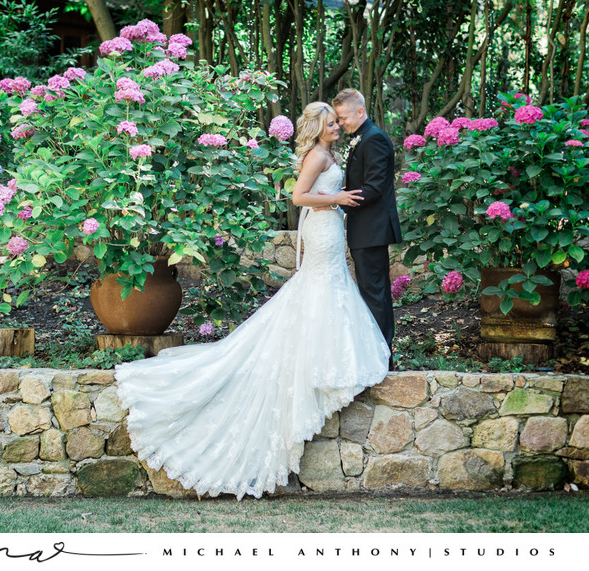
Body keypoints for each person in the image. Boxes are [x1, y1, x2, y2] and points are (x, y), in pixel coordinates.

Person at [115, 102, 390, 500]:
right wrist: (336, 200)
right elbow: (298, 197)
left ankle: (322, 354)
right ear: (316, 127)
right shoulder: (316, 154)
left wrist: (337, 200)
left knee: (328, 288)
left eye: (336, 122)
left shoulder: (329, 152)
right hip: (323, 228)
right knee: (320, 287)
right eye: (330, 123)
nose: (336, 127)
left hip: (330, 229)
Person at [331, 89, 402, 366]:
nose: (340, 124)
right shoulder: (362, 138)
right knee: (372, 291)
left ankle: (382, 355)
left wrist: (338, 203)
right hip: (365, 229)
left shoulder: (375, 140)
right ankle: (378, 352)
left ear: (360, 112)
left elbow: (373, 188)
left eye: (344, 117)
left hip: (372, 230)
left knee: (375, 293)